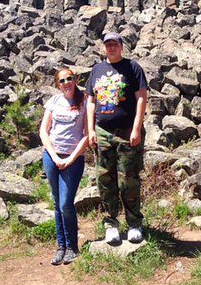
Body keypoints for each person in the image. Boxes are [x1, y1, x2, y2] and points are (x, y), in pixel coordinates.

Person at [86, 32, 148, 245]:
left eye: (115, 44)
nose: (111, 48)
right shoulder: (97, 70)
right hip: (102, 132)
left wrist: (136, 128)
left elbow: (141, 99)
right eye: (108, 45)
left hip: (126, 132)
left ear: (121, 47)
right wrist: (91, 130)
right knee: (105, 179)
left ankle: (134, 224)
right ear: (103, 47)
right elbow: (91, 102)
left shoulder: (133, 68)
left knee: (128, 180)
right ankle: (110, 224)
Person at [39, 68, 88, 265]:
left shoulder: (85, 101)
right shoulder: (53, 102)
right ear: (57, 84)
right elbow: (44, 130)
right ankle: (61, 247)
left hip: (73, 159)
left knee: (66, 203)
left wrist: (70, 159)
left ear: (75, 80)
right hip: (51, 156)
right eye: (62, 80)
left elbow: (87, 134)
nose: (66, 82)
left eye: (69, 78)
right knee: (56, 202)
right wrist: (53, 155)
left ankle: (72, 247)